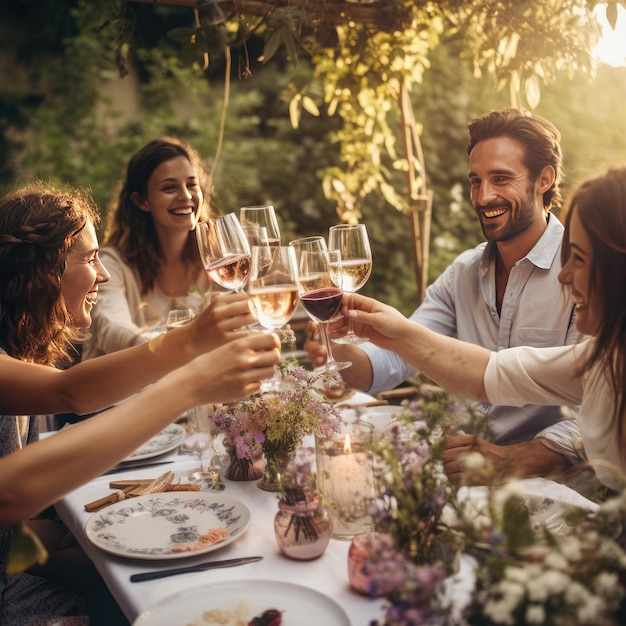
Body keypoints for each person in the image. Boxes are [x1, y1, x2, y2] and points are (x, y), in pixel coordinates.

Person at [0, 181, 280, 625]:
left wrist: (187, 344)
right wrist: (189, 376)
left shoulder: (15, 353)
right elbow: (70, 394)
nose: (104, 274)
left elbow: (75, 389)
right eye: (90, 260)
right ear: (39, 269)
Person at [306, 108, 584, 481]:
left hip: (546, 493)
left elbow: (598, 415)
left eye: (501, 179)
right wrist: (338, 354)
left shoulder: (584, 275)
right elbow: (397, 357)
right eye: (475, 181)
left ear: (543, 179)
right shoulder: (463, 273)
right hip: (451, 480)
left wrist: (508, 460)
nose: (484, 197)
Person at [340, 166, 626, 492]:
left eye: (578, 258)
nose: (564, 275)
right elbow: (489, 372)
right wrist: (390, 333)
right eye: (475, 180)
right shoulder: (604, 358)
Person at [82, 137, 212, 360]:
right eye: (169, 188)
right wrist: (179, 349)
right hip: (117, 391)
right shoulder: (112, 264)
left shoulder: (214, 259)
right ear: (142, 201)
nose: (186, 196)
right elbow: (112, 328)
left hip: (186, 386)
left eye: (192, 184)